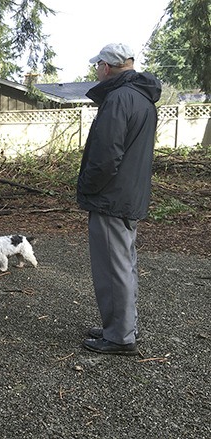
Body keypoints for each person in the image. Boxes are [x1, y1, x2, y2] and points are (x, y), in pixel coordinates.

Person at [78, 43, 162, 355]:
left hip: (111, 198)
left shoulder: (117, 98)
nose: (96, 69)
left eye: (97, 63)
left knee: (113, 267)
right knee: (124, 264)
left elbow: (105, 157)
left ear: (108, 66)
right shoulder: (142, 98)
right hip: (127, 195)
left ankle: (119, 337)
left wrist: (87, 186)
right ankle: (123, 326)